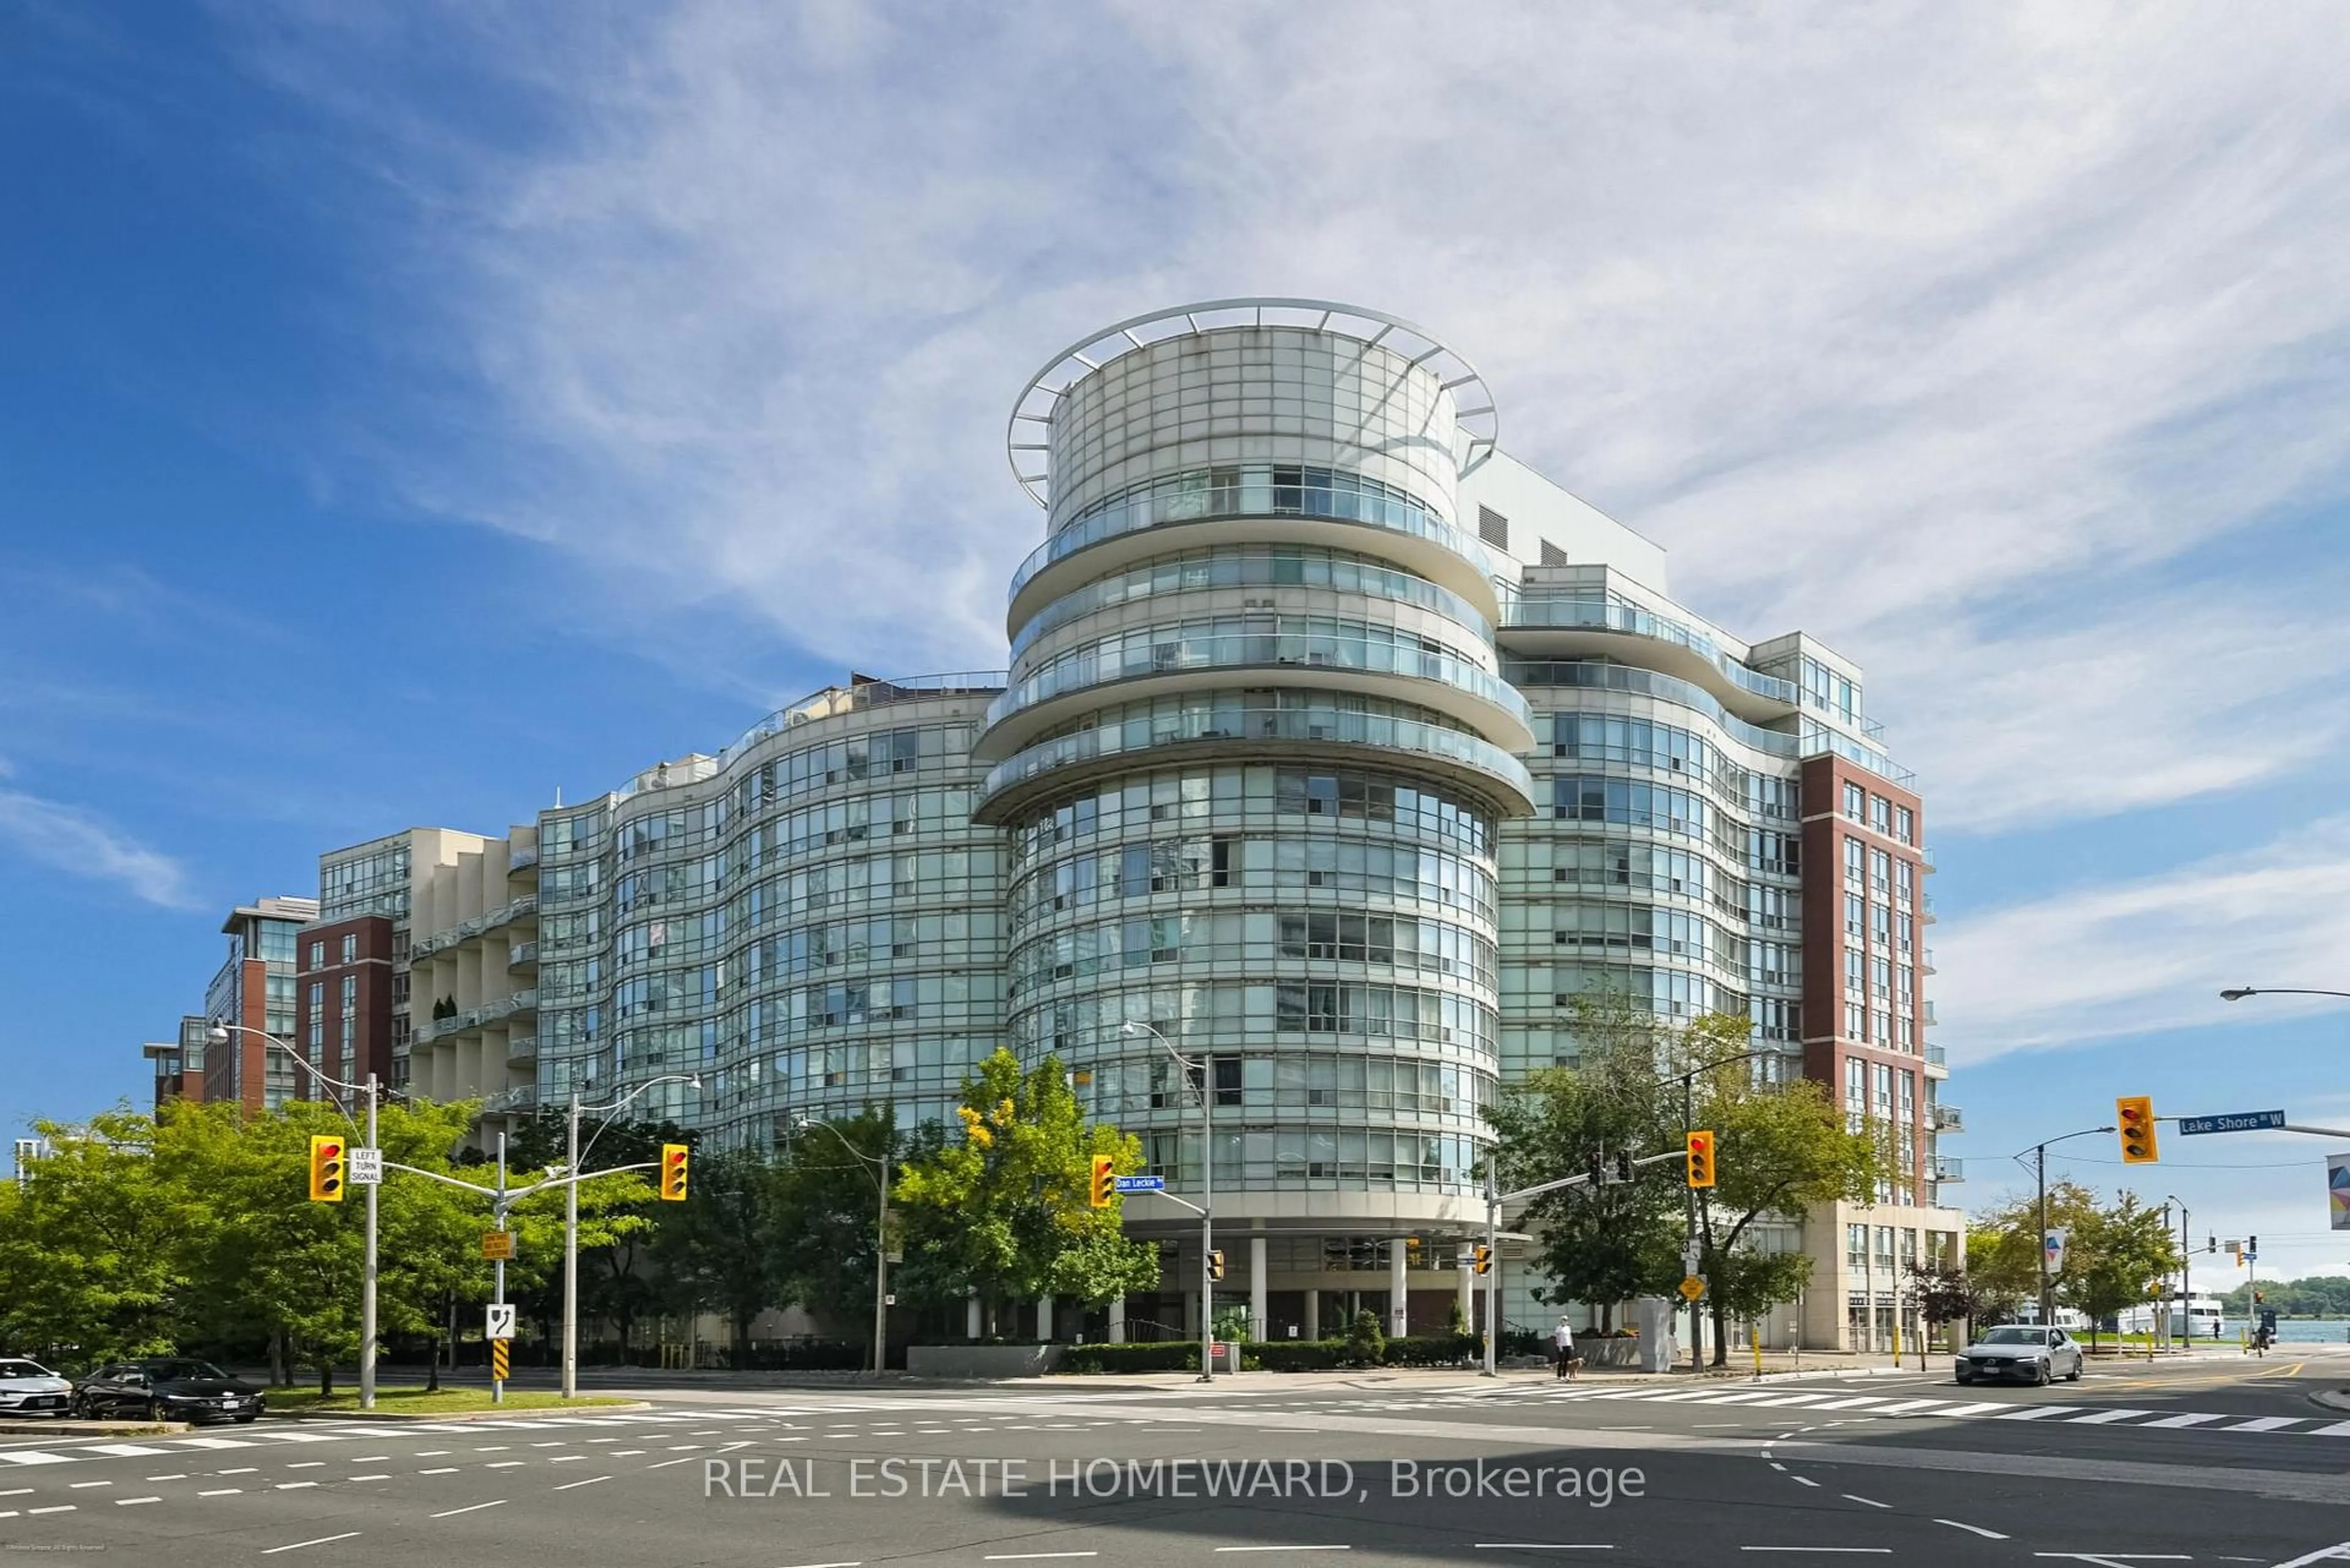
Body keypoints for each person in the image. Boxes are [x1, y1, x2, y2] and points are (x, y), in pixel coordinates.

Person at [1551, 1315, 1578, 1381]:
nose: (1565, 1322)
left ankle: (1565, 1375)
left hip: (1568, 1345)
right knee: (1561, 1361)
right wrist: (1559, 1346)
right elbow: (1558, 1338)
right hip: (1562, 1345)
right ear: (1561, 1321)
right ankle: (1559, 1375)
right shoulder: (1559, 1328)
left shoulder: (1568, 1328)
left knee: (1567, 1361)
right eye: (1563, 1320)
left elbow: (1569, 1337)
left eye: (1566, 1321)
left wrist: (1572, 1345)